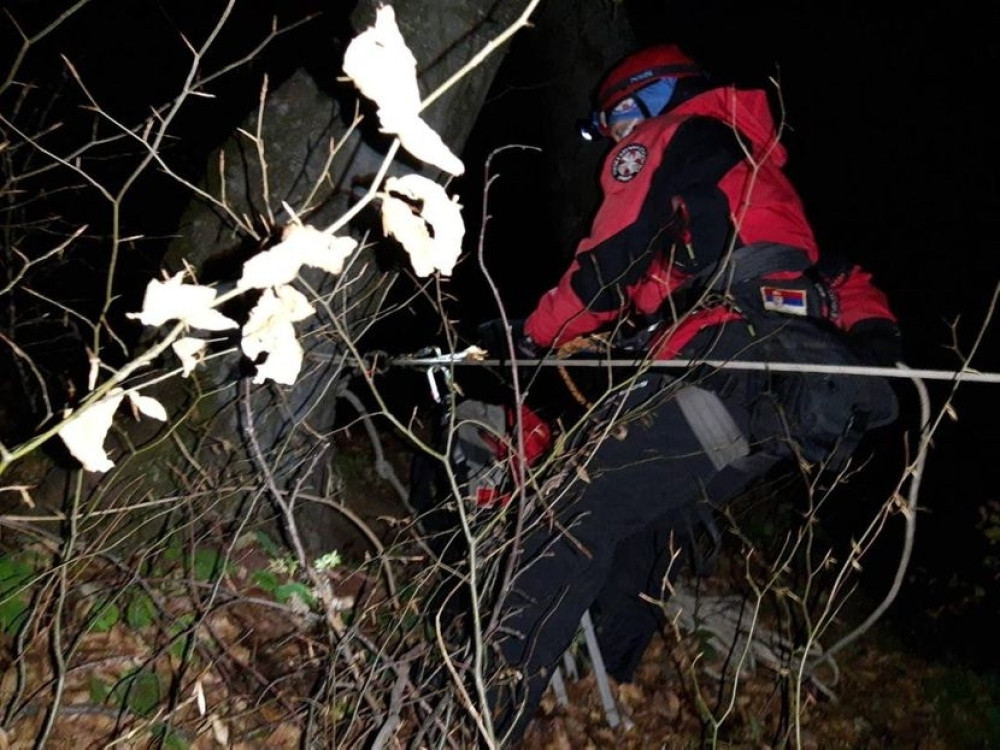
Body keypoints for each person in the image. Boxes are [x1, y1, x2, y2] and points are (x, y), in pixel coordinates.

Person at [485, 42, 902, 744]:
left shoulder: (668, 136)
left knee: (567, 512)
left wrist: (531, 334)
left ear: (642, 101)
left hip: (720, 366)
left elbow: (608, 263)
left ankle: (477, 706)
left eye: (612, 121)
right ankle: (602, 683)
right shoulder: (756, 181)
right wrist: (865, 352)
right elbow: (849, 287)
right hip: (773, 397)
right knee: (647, 523)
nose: (612, 142)